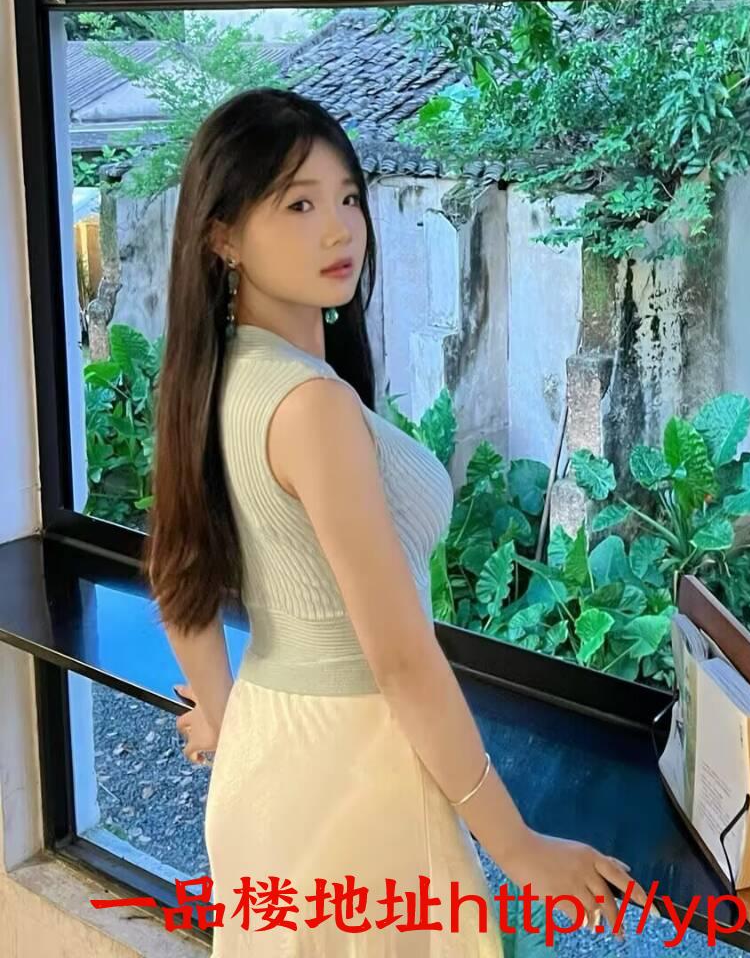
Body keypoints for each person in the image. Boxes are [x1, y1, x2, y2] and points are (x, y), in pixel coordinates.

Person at [143, 88, 636, 953]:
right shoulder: (309, 407)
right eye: (299, 204)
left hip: (271, 753)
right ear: (222, 237)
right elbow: (401, 661)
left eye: (348, 198)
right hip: (356, 774)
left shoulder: (217, 378)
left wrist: (226, 713)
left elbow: (176, 571)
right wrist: (518, 849)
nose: (340, 228)